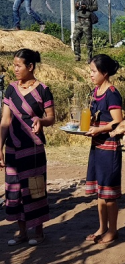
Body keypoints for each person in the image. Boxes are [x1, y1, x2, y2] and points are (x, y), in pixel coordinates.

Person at [1, 49, 55, 246]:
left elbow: (51, 117)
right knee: (14, 189)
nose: (14, 69)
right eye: (13, 65)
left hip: (32, 148)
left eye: (18, 65)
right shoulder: (10, 89)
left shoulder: (43, 90)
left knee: (34, 188)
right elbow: (5, 120)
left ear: (30, 67)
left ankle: (38, 232)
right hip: (13, 148)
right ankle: (22, 232)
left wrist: (42, 121)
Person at [84, 54, 123, 244]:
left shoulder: (112, 93)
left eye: (93, 71)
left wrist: (100, 128)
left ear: (105, 72)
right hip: (97, 146)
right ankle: (102, 227)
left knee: (109, 194)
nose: (91, 74)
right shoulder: (95, 91)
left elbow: (118, 121)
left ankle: (113, 230)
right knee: (101, 191)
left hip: (109, 148)